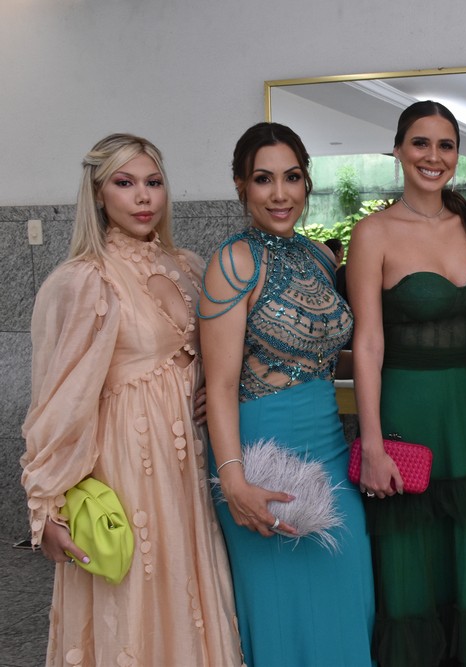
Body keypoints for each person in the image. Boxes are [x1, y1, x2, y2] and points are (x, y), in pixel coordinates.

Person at [20, 133, 243, 665]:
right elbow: (59, 400)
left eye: (153, 182)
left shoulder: (189, 267)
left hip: (190, 465)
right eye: (125, 183)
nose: (143, 197)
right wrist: (45, 505)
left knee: (188, 588)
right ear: (98, 194)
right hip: (125, 465)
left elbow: (219, 355)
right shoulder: (83, 280)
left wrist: (212, 390)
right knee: (134, 599)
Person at [348, 100, 466, 666]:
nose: (433, 156)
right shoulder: (372, 233)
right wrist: (372, 444)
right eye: (420, 142)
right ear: (398, 149)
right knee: (411, 572)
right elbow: (368, 345)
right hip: (406, 414)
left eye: (446, 145)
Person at [199, 122, 375, 666]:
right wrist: (234, 483)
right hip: (259, 462)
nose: (280, 194)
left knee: (350, 604)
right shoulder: (233, 262)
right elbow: (220, 385)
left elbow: (321, 355)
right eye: (263, 179)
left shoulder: (321, 257)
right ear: (241, 186)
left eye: (292, 177)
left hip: (329, 451)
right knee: (284, 615)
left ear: (306, 181)